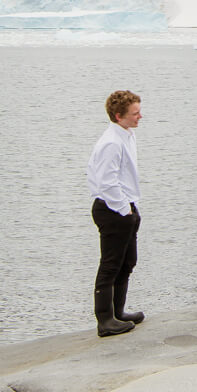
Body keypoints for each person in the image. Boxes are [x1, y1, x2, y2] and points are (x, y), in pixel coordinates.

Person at [86, 90, 146, 337]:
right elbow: (106, 182)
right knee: (110, 265)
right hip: (112, 209)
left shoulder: (127, 135)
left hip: (125, 206)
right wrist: (124, 210)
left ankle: (117, 312)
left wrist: (131, 208)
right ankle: (105, 320)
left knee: (127, 262)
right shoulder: (111, 142)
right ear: (119, 116)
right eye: (135, 113)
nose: (140, 116)